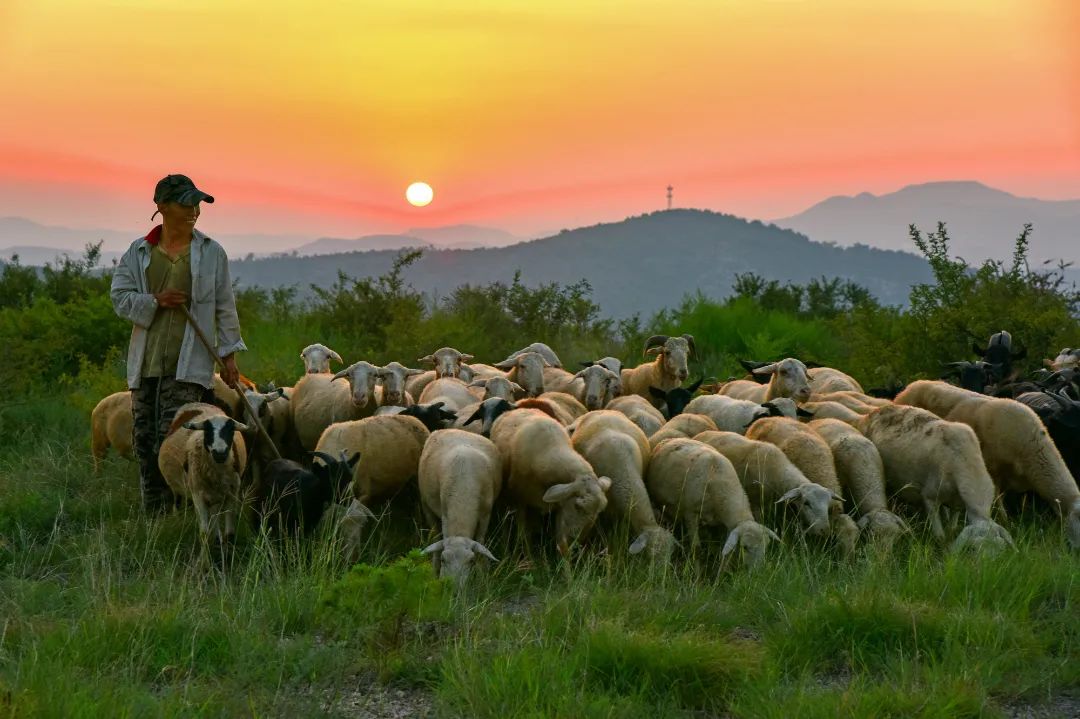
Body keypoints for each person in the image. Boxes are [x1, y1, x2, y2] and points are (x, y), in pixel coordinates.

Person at [111, 174, 246, 513]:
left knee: (175, 440)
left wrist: (229, 356)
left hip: (190, 365)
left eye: (197, 204)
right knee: (144, 441)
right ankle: (155, 513)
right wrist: (156, 300)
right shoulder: (139, 252)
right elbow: (119, 297)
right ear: (162, 206)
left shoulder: (211, 253)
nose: (194, 211)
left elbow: (224, 306)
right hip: (146, 363)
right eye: (186, 204)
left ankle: (187, 509)